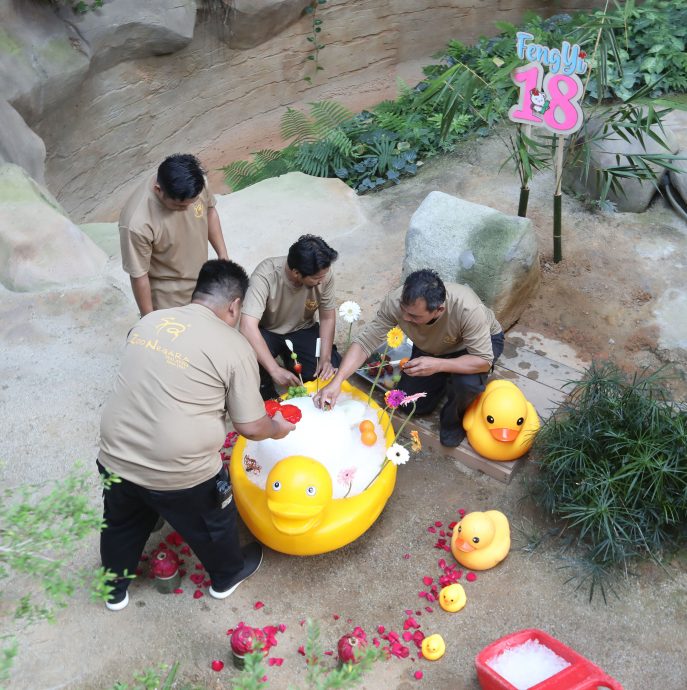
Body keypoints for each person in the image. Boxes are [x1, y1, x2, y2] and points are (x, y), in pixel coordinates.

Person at [97, 259, 295, 611]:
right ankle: (228, 575)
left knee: (120, 521)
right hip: (181, 474)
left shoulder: (149, 322)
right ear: (235, 305)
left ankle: (113, 589)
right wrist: (278, 428)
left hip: (114, 456)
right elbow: (250, 425)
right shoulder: (234, 347)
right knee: (212, 521)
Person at [314, 269, 505, 447]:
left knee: (467, 384)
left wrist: (438, 365)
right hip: (431, 348)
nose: (404, 318)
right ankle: (444, 377)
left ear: (438, 310)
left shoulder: (467, 310)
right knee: (411, 405)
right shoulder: (396, 301)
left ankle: (454, 420)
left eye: (414, 316)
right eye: (403, 309)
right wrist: (337, 380)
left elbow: (483, 360)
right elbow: (365, 342)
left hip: (473, 349)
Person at [119, 153, 229, 316]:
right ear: (158, 190)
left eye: (191, 203)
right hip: (168, 299)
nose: (187, 209)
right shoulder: (136, 223)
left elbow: (210, 211)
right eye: (179, 205)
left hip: (202, 283)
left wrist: (223, 255)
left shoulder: (198, 182)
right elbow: (138, 275)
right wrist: (149, 318)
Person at [240, 234, 341, 400]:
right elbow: (247, 326)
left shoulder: (323, 274)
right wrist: (273, 369)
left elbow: (327, 318)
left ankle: (291, 362)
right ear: (296, 273)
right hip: (268, 331)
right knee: (245, 359)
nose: (322, 281)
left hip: (302, 328)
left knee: (327, 373)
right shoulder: (265, 276)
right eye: (316, 278)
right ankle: (266, 388)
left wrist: (326, 358)